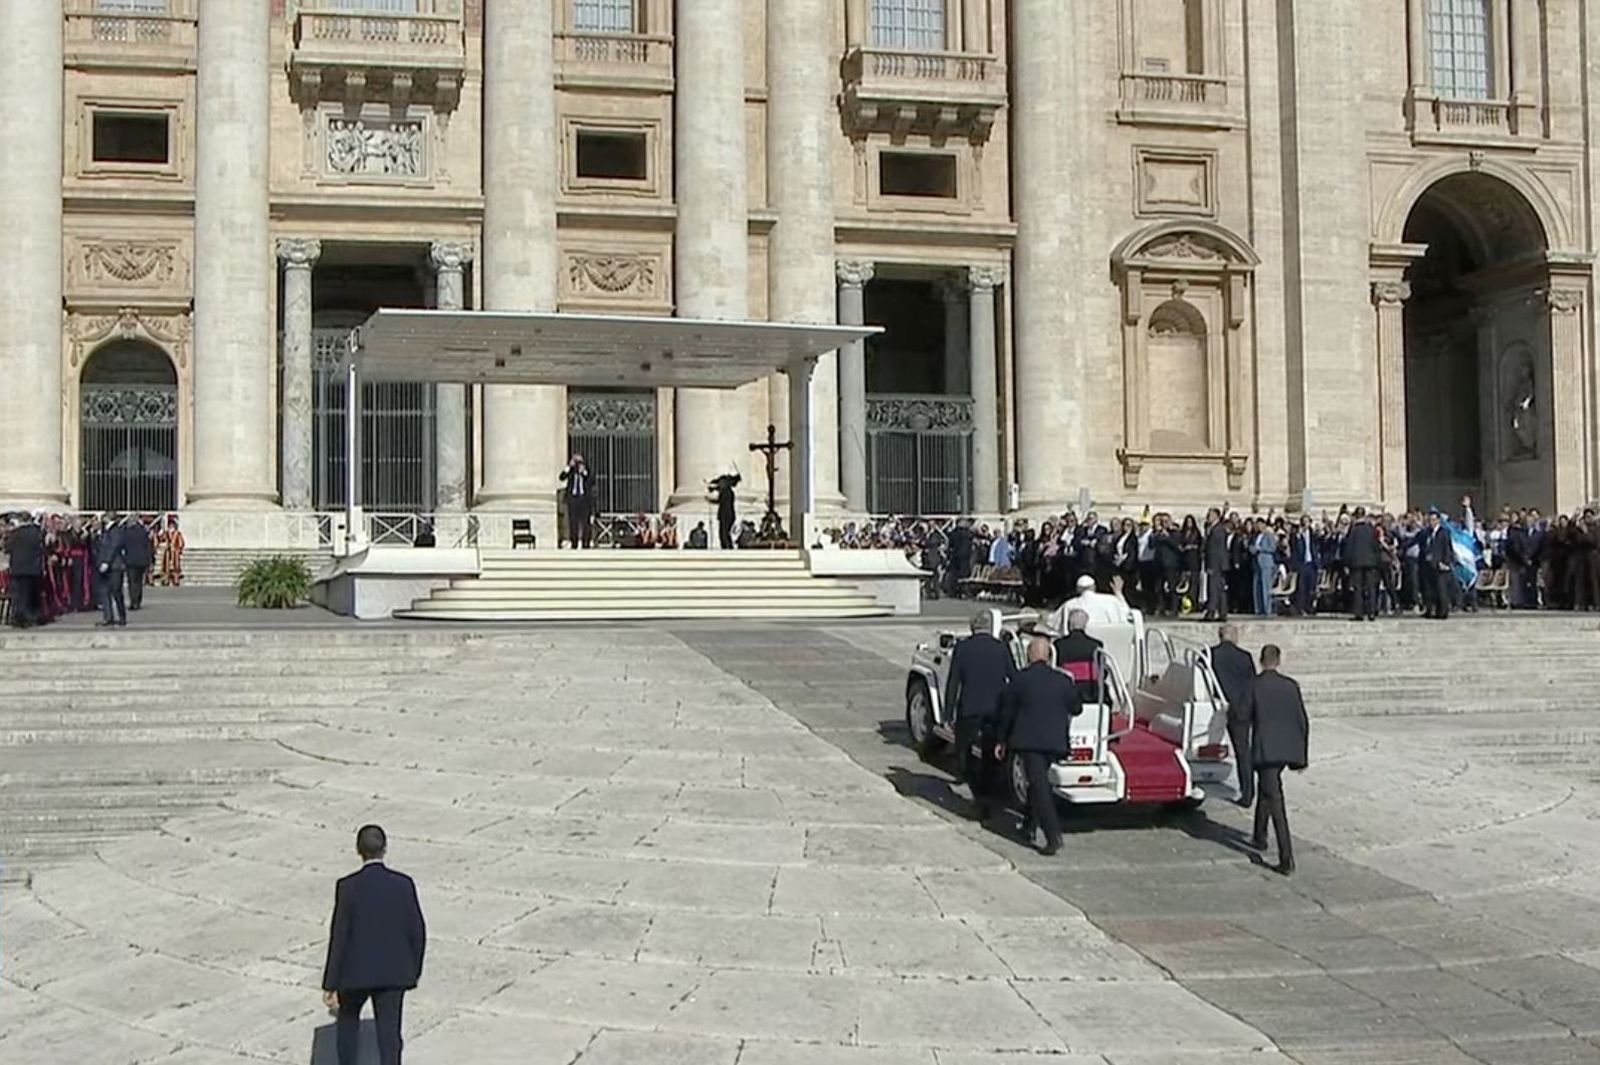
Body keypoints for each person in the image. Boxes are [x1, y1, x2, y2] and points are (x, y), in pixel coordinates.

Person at [322, 824, 427, 1065]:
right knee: (389, 1036)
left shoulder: (347, 887)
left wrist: (331, 983)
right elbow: (417, 932)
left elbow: (339, 936)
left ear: (358, 850)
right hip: (393, 974)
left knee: (347, 1023)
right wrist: (413, 971)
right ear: (385, 849)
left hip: (354, 973)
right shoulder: (403, 884)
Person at [995, 636, 1081, 856]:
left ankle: (1053, 835)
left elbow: (1007, 713)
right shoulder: (1063, 680)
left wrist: (1001, 740)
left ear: (1030, 655)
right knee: (1037, 783)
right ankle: (1028, 825)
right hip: (1054, 741)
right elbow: (1077, 707)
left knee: (1039, 786)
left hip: (1029, 741)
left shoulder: (1020, 680)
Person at [1234, 645, 1309, 876]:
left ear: (1260, 660)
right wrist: (1301, 755)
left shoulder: (1254, 685)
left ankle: (1286, 857)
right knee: (1267, 790)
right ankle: (1259, 835)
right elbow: (1302, 720)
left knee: (1275, 800)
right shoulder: (1290, 686)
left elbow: (1241, 716)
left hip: (1266, 750)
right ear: (1278, 661)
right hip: (1286, 748)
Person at [945, 610, 1016, 819]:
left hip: (970, 708)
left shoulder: (963, 648)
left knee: (964, 754)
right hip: (995, 709)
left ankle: (979, 795)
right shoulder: (1001, 648)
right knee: (990, 755)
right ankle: (988, 795)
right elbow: (1013, 677)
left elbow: (953, 681)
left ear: (972, 628)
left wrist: (948, 713)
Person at [1209, 624, 1257, 806]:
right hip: (1241, 709)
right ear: (1234, 636)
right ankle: (1247, 792)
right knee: (1243, 751)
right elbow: (1252, 683)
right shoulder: (1245, 657)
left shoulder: (1209, 654)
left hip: (1217, 707)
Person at [1052, 608, 1103, 705]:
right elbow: (1101, 672)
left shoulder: (1059, 645)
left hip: (1066, 695)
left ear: (1069, 625)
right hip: (1092, 695)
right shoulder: (1096, 645)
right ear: (1085, 625)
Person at [5, 512, 45, 629]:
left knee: (19, 595)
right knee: (31, 594)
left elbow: (7, 547)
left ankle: (19, 618)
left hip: (17, 568)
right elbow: (40, 548)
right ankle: (32, 616)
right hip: (32, 568)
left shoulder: (15, 533)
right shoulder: (36, 532)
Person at [1342, 506, 1381, 621]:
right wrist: (1377, 562)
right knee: (1371, 588)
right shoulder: (1371, 530)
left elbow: (1349, 547)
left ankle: (1359, 613)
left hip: (1356, 563)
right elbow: (1376, 547)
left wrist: (1346, 563)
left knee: (1358, 588)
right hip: (1370, 562)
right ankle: (1372, 612)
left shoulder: (1353, 530)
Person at [95, 516, 129, 628]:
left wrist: (106, 562)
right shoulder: (105, 530)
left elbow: (113, 547)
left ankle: (122, 617)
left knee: (116, 592)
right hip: (105, 565)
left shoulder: (116, 531)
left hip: (114, 566)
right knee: (104, 592)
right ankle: (108, 617)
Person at [1423, 509, 1454, 620]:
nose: (1431, 522)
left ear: (1438, 521)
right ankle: (1432, 610)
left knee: (1442, 589)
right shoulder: (1427, 533)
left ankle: (1443, 612)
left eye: (1433, 520)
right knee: (1431, 590)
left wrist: (1445, 562)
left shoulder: (1443, 532)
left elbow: (1447, 549)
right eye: (1429, 520)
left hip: (1440, 565)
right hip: (1429, 565)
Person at [559, 453, 594, 549]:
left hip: (584, 500)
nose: (578, 464)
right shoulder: (570, 471)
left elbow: (592, 481)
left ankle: (585, 543)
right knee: (573, 522)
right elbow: (561, 477)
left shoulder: (586, 471)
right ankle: (574, 542)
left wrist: (584, 472)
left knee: (585, 523)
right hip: (573, 499)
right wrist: (568, 467)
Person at [1202, 507, 1229, 620]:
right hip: (1215, 563)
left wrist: (1211, 565)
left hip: (1216, 563)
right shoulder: (1212, 529)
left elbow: (1215, 549)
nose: (1208, 517)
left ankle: (1212, 611)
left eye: (1210, 515)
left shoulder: (1218, 530)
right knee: (1218, 588)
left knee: (1214, 588)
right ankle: (1221, 612)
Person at [122, 517, 154, 610]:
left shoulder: (127, 532)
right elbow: (148, 547)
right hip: (141, 560)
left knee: (132, 582)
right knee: (139, 582)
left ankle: (133, 601)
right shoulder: (143, 532)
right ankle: (138, 601)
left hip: (130, 560)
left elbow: (123, 545)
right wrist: (150, 560)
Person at [710, 472, 741, 549]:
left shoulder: (726, 492)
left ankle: (727, 547)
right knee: (724, 533)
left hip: (726, 515)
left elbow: (721, 501)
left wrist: (711, 500)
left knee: (724, 533)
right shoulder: (727, 491)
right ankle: (727, 546)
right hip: (727, 515)